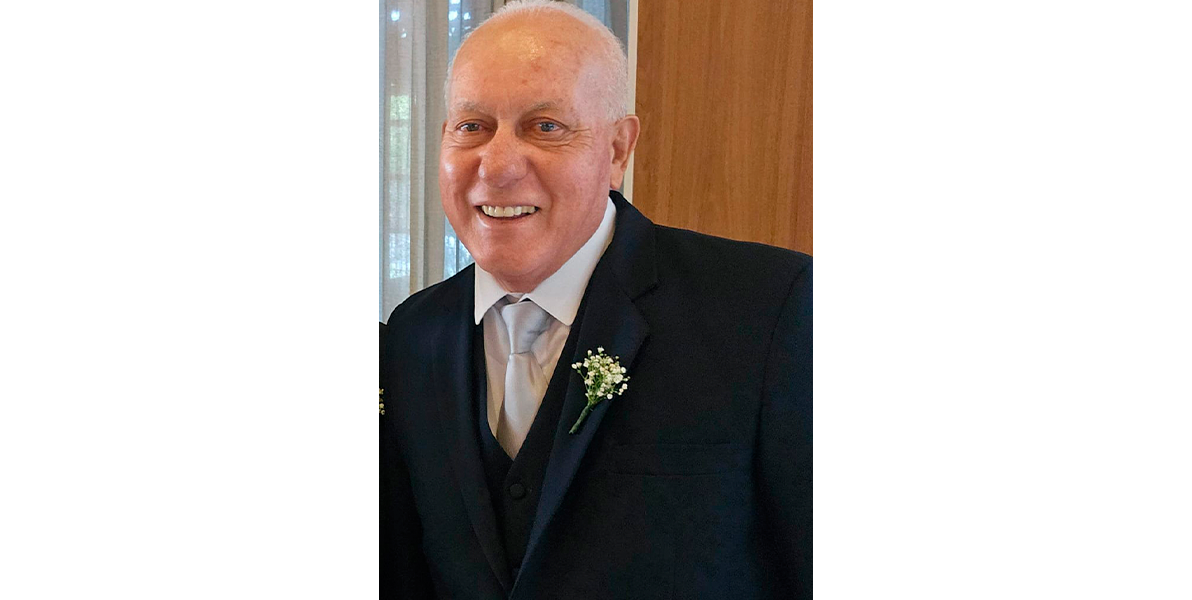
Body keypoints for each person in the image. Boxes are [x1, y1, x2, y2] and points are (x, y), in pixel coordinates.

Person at [380, 1, 810, 598]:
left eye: (546, 127)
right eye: (472, 126)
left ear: (617, 150)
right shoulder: (411, 336)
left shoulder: (770, 311)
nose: (497, 165)